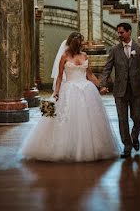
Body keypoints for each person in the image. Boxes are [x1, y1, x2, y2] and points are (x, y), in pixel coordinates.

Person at [20, 31, 120, 162]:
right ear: (73, 43)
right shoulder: (64, 57)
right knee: (67, 118)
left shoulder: (84, 56)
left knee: (87, 119)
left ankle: (88, 148)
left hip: (86, 89)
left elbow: (89, 75)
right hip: (70, 89)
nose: (82, 44)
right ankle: (66, 148)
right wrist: (56, 92)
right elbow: (60, 76)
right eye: (80, 41)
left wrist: (100, 86)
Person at [99, 22, 140, 158]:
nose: (119, 35)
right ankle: (127, 145)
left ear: (129, 32)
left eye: (122, 32)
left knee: (138, 117)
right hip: (120, 90)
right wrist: (103, 84)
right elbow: (107, 69)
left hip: (137, 90)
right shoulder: (114, 50)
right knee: (122, 119)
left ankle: (135, 135)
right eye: (118, 32)